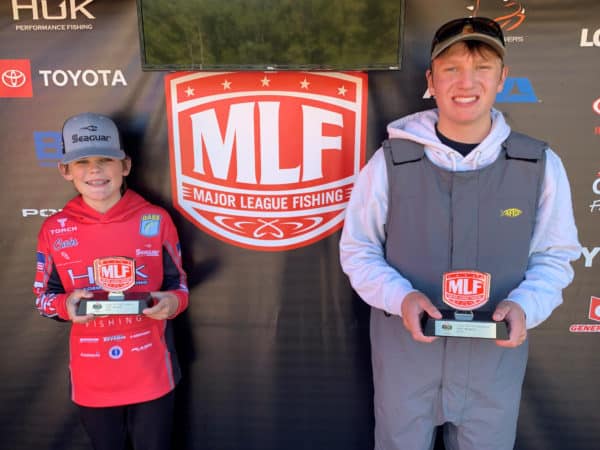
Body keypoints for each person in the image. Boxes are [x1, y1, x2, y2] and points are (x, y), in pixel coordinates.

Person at [339, 17, 581, 450]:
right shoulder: (389, 162)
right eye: (451, 69)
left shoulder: (540, 165)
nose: (466, 82)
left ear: (502, 78)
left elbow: (555, 257)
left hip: (493, 368)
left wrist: (525, 306)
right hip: (406, 362)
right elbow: (359, 250)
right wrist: (401, 298)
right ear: (431, 80)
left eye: (482, 67)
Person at [33, 112, 189, 450]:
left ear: (126, 166)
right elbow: (43, 299)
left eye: (105, 159)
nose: (95, 170)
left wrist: (173, 303)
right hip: (92, 378)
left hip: (151, 372)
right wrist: (67, 305)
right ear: (65, 170)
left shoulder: (156, 219)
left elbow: (180, 287)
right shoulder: (54, 229)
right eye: (82, 162)